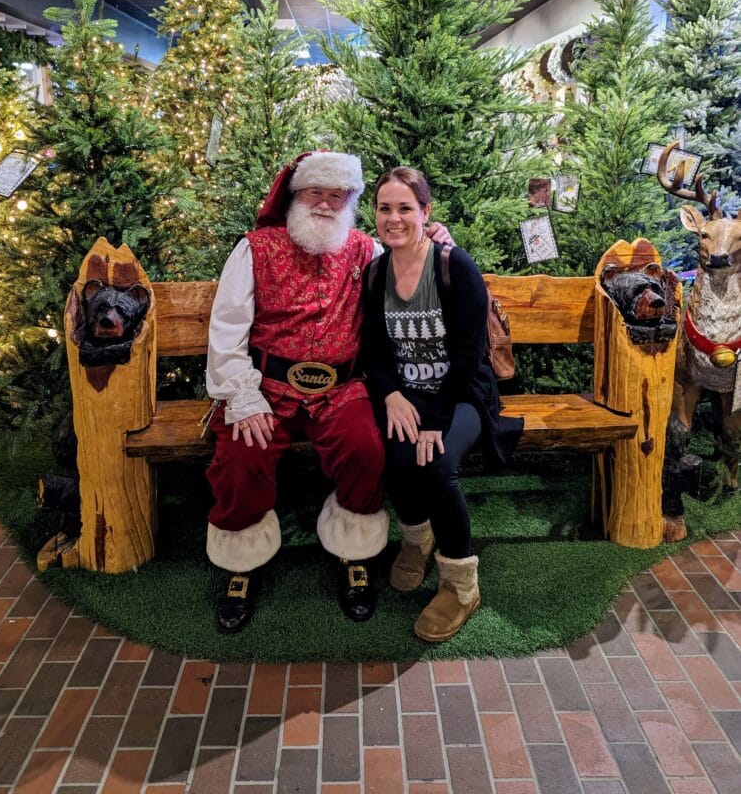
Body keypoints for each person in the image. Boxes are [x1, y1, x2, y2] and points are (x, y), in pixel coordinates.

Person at [204, 151, 450, 635]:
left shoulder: (365, 251)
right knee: (239, 454)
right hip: (268, 386)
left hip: (342, 386)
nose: (324, 204)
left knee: (366, 449)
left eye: (336, 195)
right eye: (315, 193)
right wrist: (241, 393)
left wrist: (433, 244)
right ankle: (241, 561)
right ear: (296, 196)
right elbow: (227, 324)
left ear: (350, 201)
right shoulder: (256, 248)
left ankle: (352, 553)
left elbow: (412, 291)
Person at [361, 167, 523, 642]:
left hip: (462, 395)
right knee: (391, 454)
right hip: (407, 394)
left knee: (435, 464)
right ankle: (417, 536)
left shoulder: (455, 267)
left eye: (405, 208)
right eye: (385, 208)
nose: (394, 218)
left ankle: (460, 585)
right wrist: (390, 394)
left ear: (425, 212)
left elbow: (470, 355)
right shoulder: (374, 274)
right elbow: (373, 350)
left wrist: (434, 420)